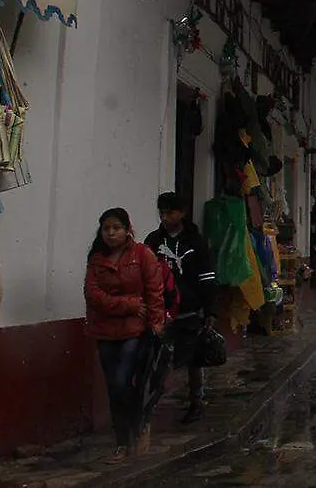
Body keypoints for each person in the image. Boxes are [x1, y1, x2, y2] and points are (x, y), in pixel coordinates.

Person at [84, 208, 165, 463]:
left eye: (116, 227)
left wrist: (156, 324)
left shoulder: (142, 255)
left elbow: (155, 291)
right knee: (113, 388)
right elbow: (93, 295)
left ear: (127, 229)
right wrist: (129, 304)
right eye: (106, 228)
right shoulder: (96, 259)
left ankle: (139, 426)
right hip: (105, 331)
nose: (111, 233)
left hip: (134, 331)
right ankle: (123, 442)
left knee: (122, 381)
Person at [144, 192, 217, 424]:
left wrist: (210, 309)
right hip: (162, 310)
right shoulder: (154, 241)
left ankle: (196, 402)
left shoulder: (196, 242)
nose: (166, 217)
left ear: (182, 213)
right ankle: (148, 406)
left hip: (190, 308)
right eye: (162, 213)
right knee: (158, 358)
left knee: (194, 360)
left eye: (170, 212)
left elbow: (207, 276)